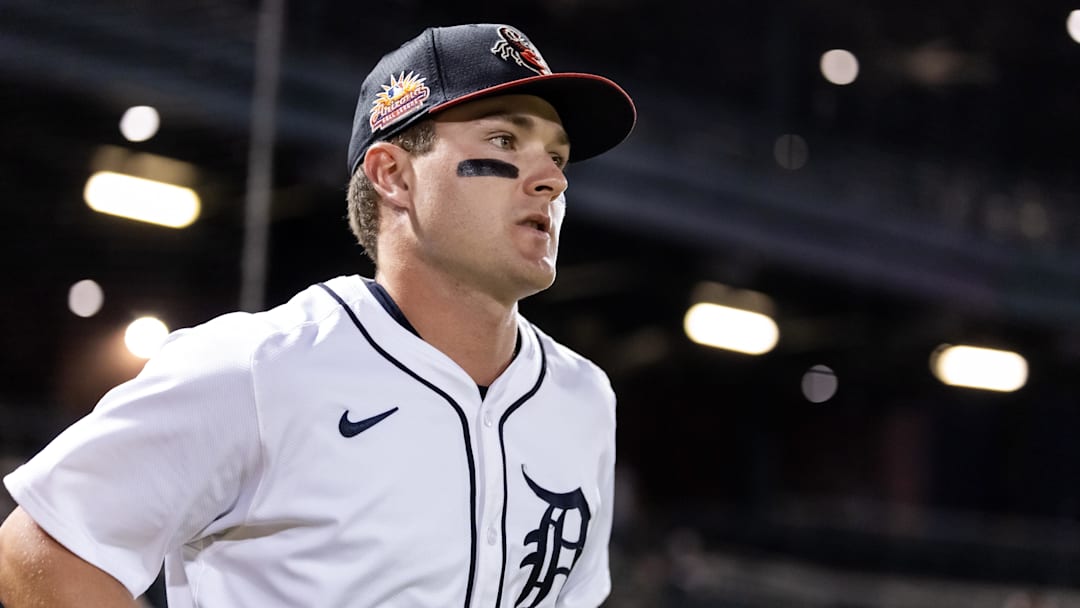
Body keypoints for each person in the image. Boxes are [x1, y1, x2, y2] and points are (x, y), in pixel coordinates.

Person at [0, 23, 635, 607]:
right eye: (504, 140)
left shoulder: (584, 398)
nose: (551, 179)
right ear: (394, 175)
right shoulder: (257, 367)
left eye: (558, 156)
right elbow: (37, 555)